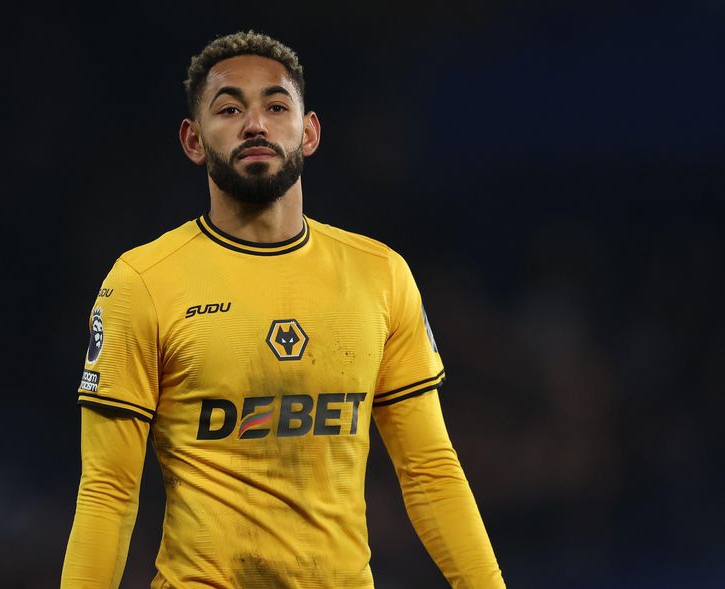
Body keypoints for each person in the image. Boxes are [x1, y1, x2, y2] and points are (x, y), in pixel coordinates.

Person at [61, 30, 506, 589]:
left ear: (309, 131)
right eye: (229, 109)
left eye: (276, 106)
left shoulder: (381, 275)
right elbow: (108, 490)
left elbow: (430, 471)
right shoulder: (143, 282)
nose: (255, 125)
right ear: (193, 140)